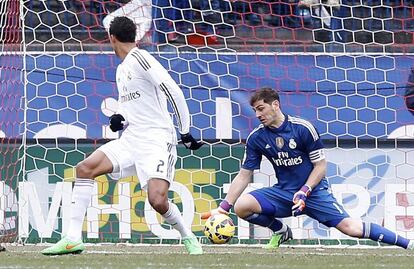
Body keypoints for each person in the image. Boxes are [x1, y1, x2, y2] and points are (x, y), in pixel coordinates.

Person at [42, 16, 204, 255]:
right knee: (85, 168)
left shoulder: (141, 58)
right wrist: (120, 118)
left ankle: (187, 236)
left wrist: (185, 131)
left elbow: (173, 90)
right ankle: (72, 238)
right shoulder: (122, 69)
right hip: (130, 139)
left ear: (112, 38)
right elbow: (131, 107)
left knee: (157, 201)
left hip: (156, 139)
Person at [202, 87, 414, 249]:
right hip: (284, 193)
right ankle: (281, 230)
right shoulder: (257, 137)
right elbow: (244, 174)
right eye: (255, 110)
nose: (257, 114)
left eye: (261, 108)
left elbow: (320, 166)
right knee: (242, 206)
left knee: (352, 228)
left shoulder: (302, 129)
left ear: (275, 105)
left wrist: (305, 191)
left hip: (313, 193)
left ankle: (407, 243)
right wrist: (223, 208)